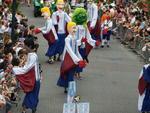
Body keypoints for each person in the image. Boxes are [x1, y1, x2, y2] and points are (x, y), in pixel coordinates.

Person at [12, 40, 41, 113]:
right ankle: (28, 108)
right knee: (31, 94)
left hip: (35, 79)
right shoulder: (30, 54)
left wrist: (15, 69)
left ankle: (27, 108)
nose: (24, 48)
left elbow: (26, 68)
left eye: (25, 46)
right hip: (33, 78)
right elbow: (26, 67)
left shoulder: (33, 56)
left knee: (32, 94)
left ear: (29, 46)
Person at [57, 22, 86, 93]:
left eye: (75, 28)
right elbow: (70, 51)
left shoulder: (75, 38)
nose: (75, 29)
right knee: (67, 74)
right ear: (69, 29)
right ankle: (69, 90)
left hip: (74, 61)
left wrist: (81, 59)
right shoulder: (67, 39)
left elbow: (76, 50)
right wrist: (78, 60)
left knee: (71, 75)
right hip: (68, 60)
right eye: (73, 28)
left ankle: (69, 90)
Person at [72, 8, 100, 79]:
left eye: (83, 15)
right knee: (77, 59)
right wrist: (80, 41)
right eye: (80, 15)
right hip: (76, 47)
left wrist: (94, 42)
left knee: (82, 59)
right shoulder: (75, 27)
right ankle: (75, 72)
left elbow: (89, 37)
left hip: (82, 47)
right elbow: (73, 39)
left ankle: (78, 73)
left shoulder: (85, 27)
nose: (82, 16)